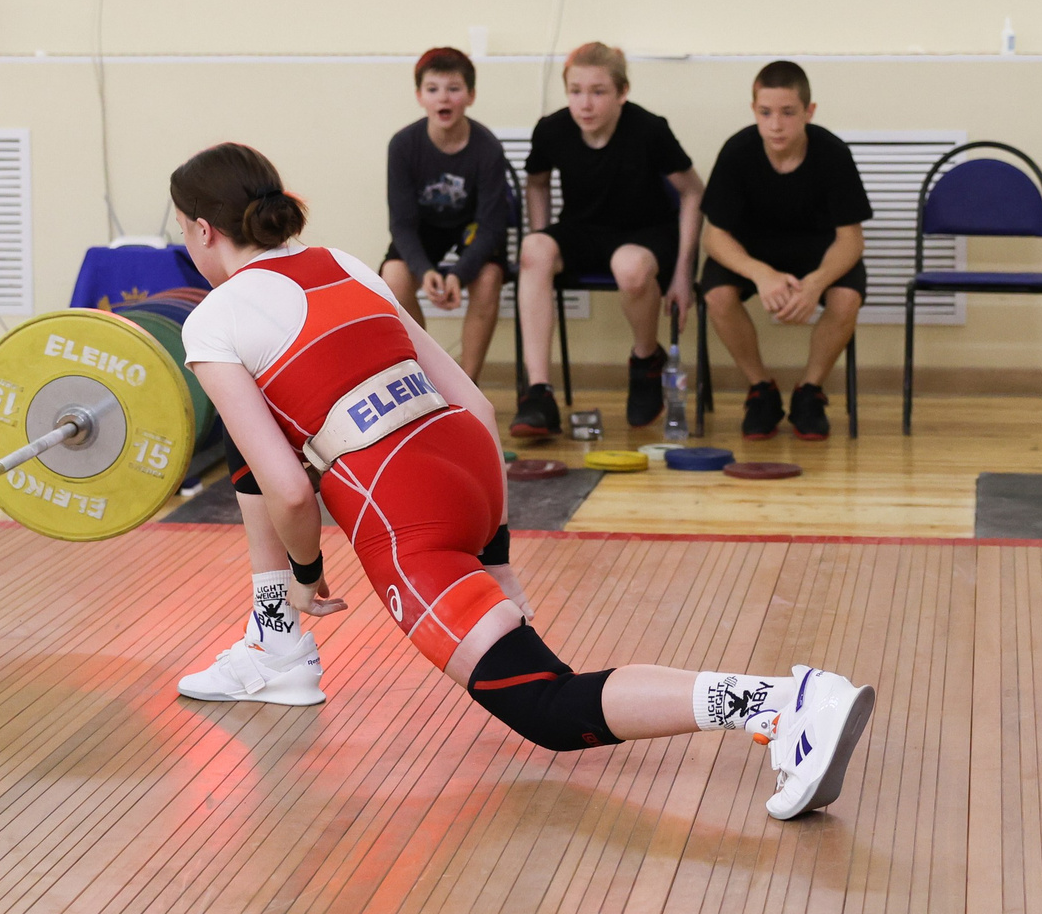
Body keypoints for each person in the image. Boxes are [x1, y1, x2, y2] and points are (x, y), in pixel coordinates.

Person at [166, 142, 875, 821]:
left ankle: (783, 701)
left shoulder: (213, 319)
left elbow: (290, 492)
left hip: (410, 520)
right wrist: (496, 555)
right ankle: (278, 645)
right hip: (469, 474)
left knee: (547, 705)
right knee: (250, 417)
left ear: (203, 229)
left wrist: (305, 570)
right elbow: (473, 402)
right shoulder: (345, 263)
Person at [511, 44, 703, 440]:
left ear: (622, 92)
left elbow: (693, 192)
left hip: (646, 232)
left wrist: (684, 272)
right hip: (583, 230)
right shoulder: (552, 129)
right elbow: (537, 182)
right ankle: (539, 392)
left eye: (598, 91)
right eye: (576, 90)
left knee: (630, 268)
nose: (586, 103)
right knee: (533, 250)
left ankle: (646, 359)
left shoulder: (650, 129)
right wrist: (543, 235)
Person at [699, 61, 872, 441]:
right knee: (716, 294)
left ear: (809, 112)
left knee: (846, 297)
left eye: (788, 112)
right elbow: (714, 237)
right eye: (766, 113)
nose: (776, 125)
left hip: (817, 252)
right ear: (754, 111)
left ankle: (809, 391)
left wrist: (815, 285)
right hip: (752, 251)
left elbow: (851, 240)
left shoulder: (833, 154)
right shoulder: (737, 151)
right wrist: (760, 273)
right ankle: (761, 389)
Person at [382, 47, 514, 386]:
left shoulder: (487, 148)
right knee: (393, 277)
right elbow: (402, 223)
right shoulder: (403, 145)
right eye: (433, 89)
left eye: (454, 88)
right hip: (425, 227)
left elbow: (491, 225)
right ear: (419, 96)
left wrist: (459, 273)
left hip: (472, 228)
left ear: (470, 95)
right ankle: (426, 377)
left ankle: (468, 384)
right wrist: (425, 271)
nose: (444, 97)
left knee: (486, 280)